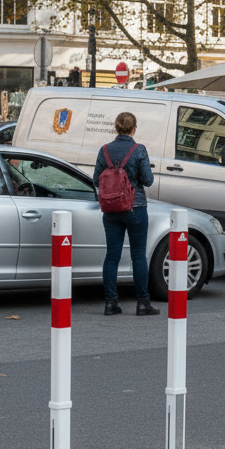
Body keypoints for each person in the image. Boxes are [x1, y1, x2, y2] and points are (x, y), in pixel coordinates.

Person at [92, 111, 158, 316]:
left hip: (111, 209)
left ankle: (110, 303)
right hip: (135, 207)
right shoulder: (139, 150)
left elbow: (96, 180)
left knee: (112, 256)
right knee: (138, 256)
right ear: (133, 129)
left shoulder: (105, 150)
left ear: (116, 127)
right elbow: (148, 180)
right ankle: (143, 303)